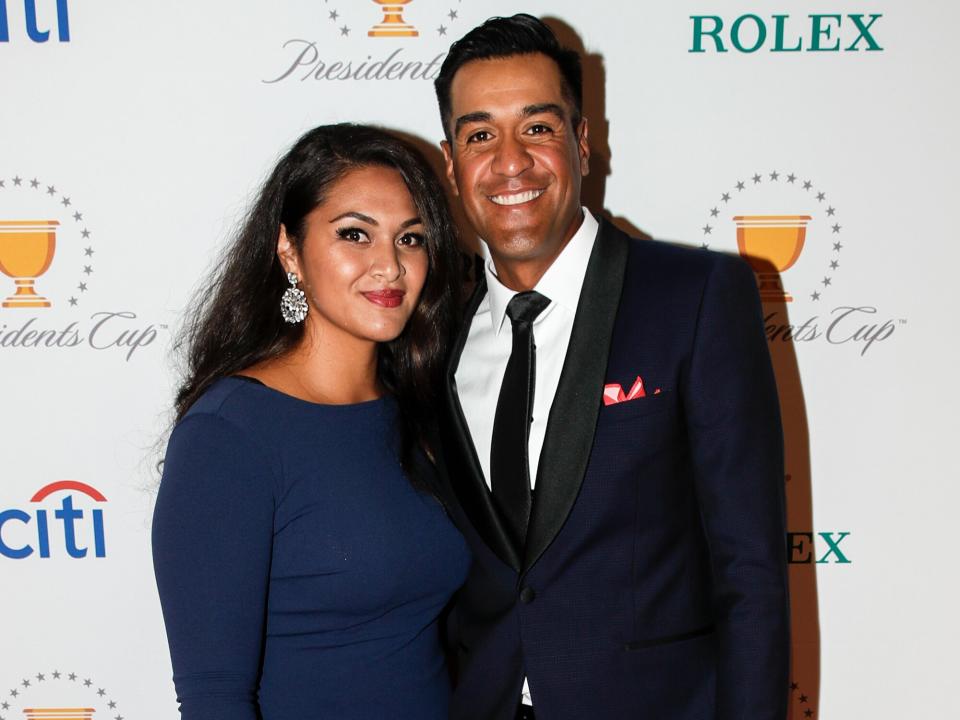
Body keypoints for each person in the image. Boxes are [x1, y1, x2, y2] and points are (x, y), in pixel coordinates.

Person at [433, 14, 790, 720]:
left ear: (583, 142)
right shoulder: (430, 330)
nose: (510, 161)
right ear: (451, 165)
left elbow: (750, 570)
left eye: (537, 127)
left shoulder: (696, 297)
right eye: (480, 135)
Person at [151, 124, 470, 720]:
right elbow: (215, 699)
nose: (390, 267)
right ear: (289, 249)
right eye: (355, 234)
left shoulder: (423, 408)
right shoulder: (230, 434)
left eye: (411, 238)